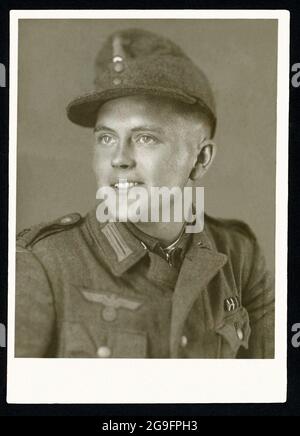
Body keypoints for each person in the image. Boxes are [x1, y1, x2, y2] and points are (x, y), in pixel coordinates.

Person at [15, 28, 274, 358]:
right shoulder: (42, 264)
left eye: (145, 138)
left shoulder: (240, 257)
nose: (119, 159)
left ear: (201, 159)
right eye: (106, 138)